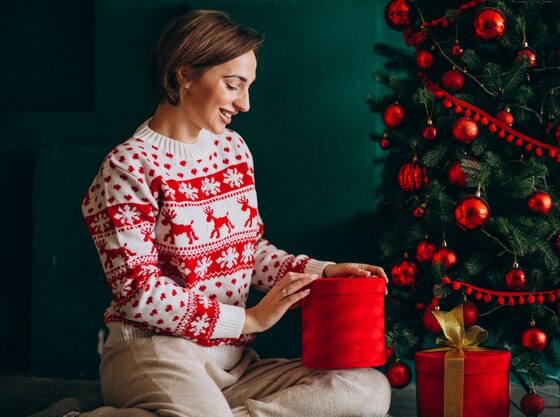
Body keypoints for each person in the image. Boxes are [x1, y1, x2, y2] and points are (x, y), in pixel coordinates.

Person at [30, 9, 391, 417]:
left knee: (366, 388)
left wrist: (322, 272)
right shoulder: (128, 166)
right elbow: (139, 295)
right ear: (184, 75)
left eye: (248, 87)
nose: (245, 103)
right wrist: (250, 320)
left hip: (234, 367)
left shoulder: (233, 150)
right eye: (234, 85)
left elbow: (247, 252)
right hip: (153, 352)